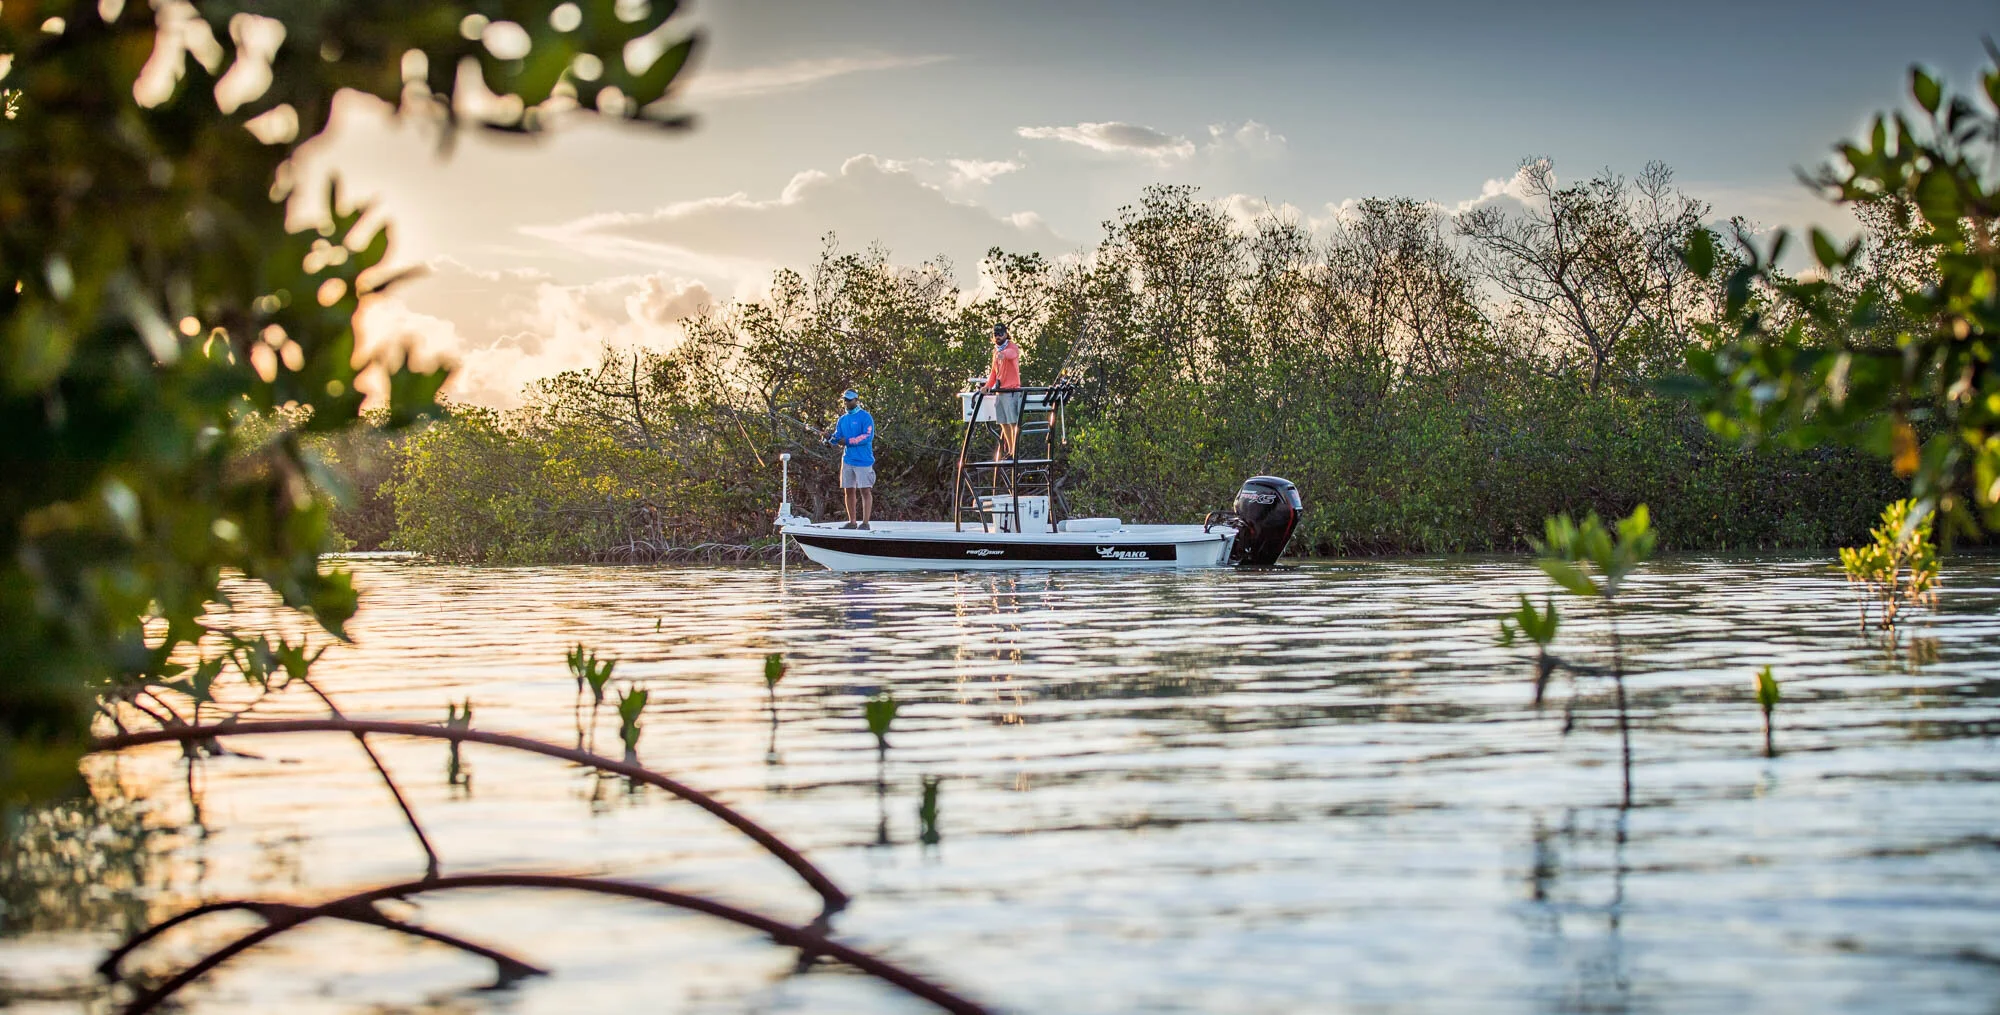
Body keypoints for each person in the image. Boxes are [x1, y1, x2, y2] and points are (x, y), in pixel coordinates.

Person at [826, 388, 875, 529]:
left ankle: (865, 523)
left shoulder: (866, 417)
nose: (846, 402)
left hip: (864, 460)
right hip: (847, 460)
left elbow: (867, 436)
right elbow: (837, 437)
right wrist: (829, 438)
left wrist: (848, 441)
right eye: (845, 400)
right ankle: (852, 522)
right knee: (849, 490)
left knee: (865, 490)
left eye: (849, 399)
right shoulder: (842, 419)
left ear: (856, 400)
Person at [984, 322, 1023, 459]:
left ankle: (1014, 452)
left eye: (1000, 334)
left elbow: (1011, 354)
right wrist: (988, 386)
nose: (998, 337)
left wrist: (1003, 354)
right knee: (1003, 422)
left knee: (1013, 422)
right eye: (995, 334)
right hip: (1000, 392)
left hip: (1011, 391)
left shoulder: (1012, 347)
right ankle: (1010, 451)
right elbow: (993, 374)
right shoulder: (995, 352)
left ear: (1006, 334)